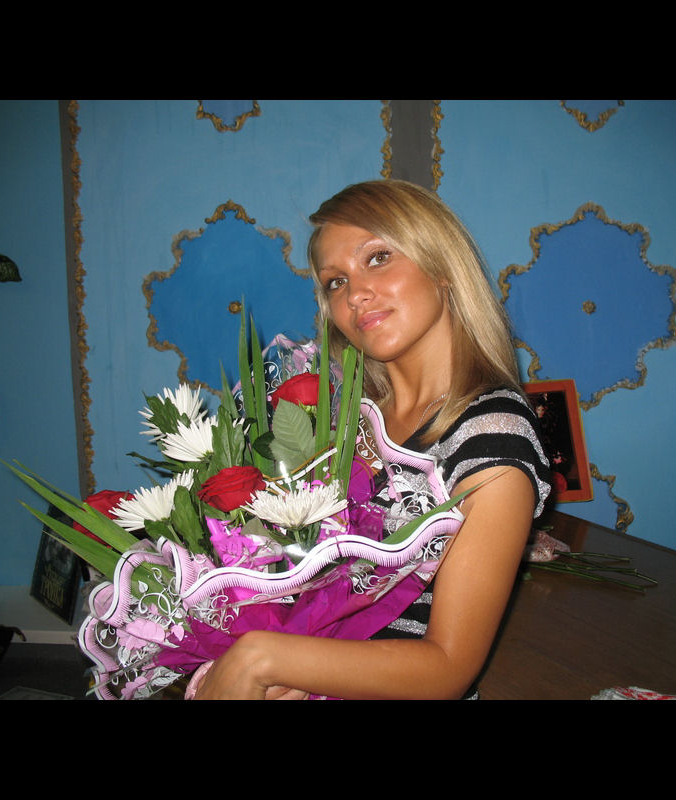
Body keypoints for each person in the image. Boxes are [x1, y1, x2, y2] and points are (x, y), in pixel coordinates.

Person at [194, 180, 551, 700]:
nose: (355, 294)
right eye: (335, 281)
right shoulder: (343, 417)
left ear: (442, 265)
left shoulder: (493, 438)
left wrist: (264, 658)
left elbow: (447, 668)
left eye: (378, 258)